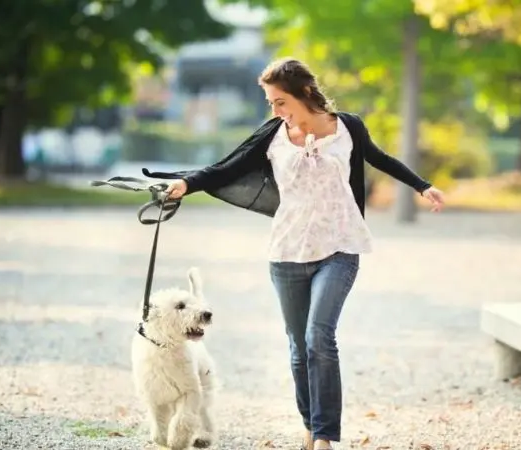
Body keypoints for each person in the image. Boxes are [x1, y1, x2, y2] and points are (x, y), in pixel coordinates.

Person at [161, 57, 445, 450]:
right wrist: (185, 184)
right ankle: (310, 427)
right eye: (271, 103)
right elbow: (225, 169)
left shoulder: (348, 127)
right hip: (288, 252)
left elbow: (379, 159)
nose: (275, 110)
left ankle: (325, 437)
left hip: (339, 247)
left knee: (318, 337)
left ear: (304, 94)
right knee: (298, 347)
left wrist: (422, 186)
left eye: (280, 102)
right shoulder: (273, 135)